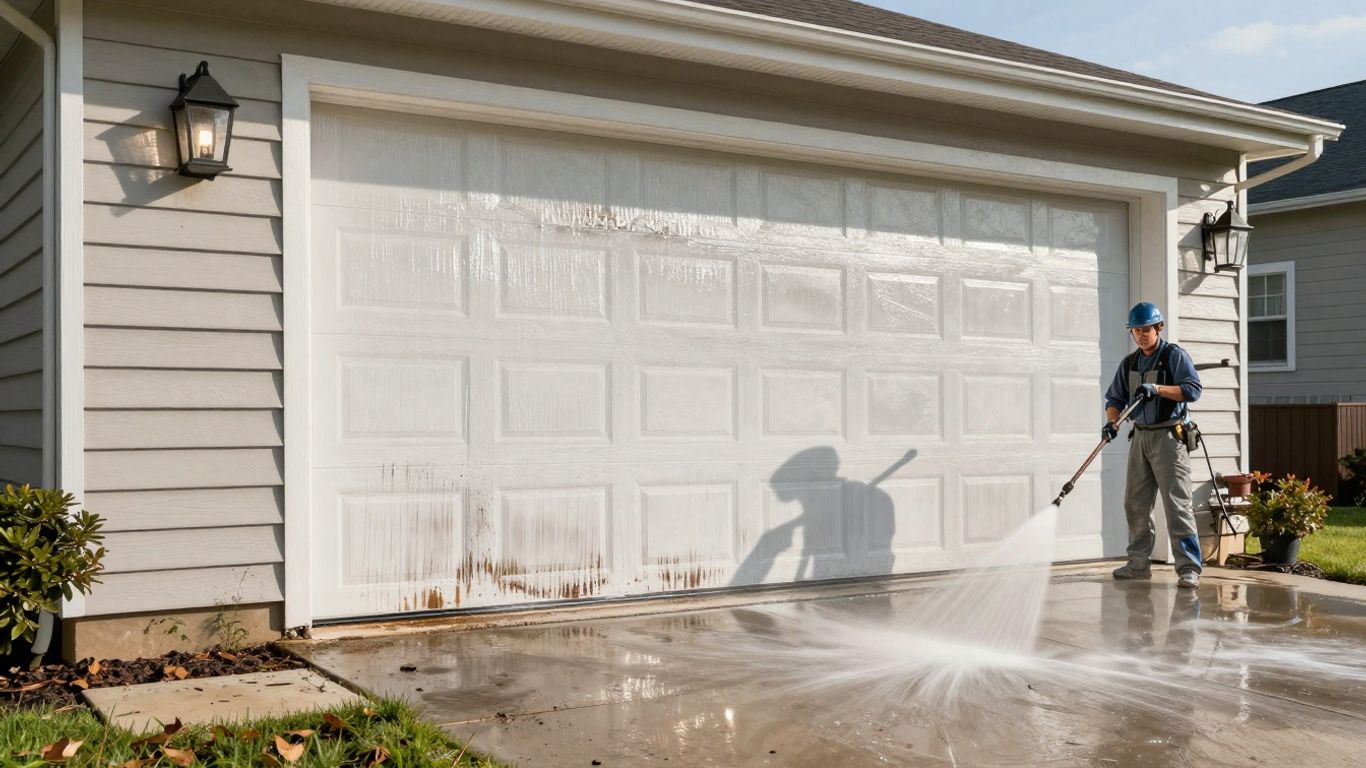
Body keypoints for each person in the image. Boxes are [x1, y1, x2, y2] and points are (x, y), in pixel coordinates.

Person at [1102, 302, 1204, 588]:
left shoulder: (1174, 356)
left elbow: (1192, 390)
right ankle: (1138, 564)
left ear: (1158, 328)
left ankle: (1188, 568)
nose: (1141, 335)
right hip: (1141, 436)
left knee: (1176, 504)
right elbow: (1114, 400)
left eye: (1146, 329)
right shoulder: (1130, 363)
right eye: (1136, 330)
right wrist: (1113, 422)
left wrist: (1158, 389)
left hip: (1169, 438)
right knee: (1135, 504)